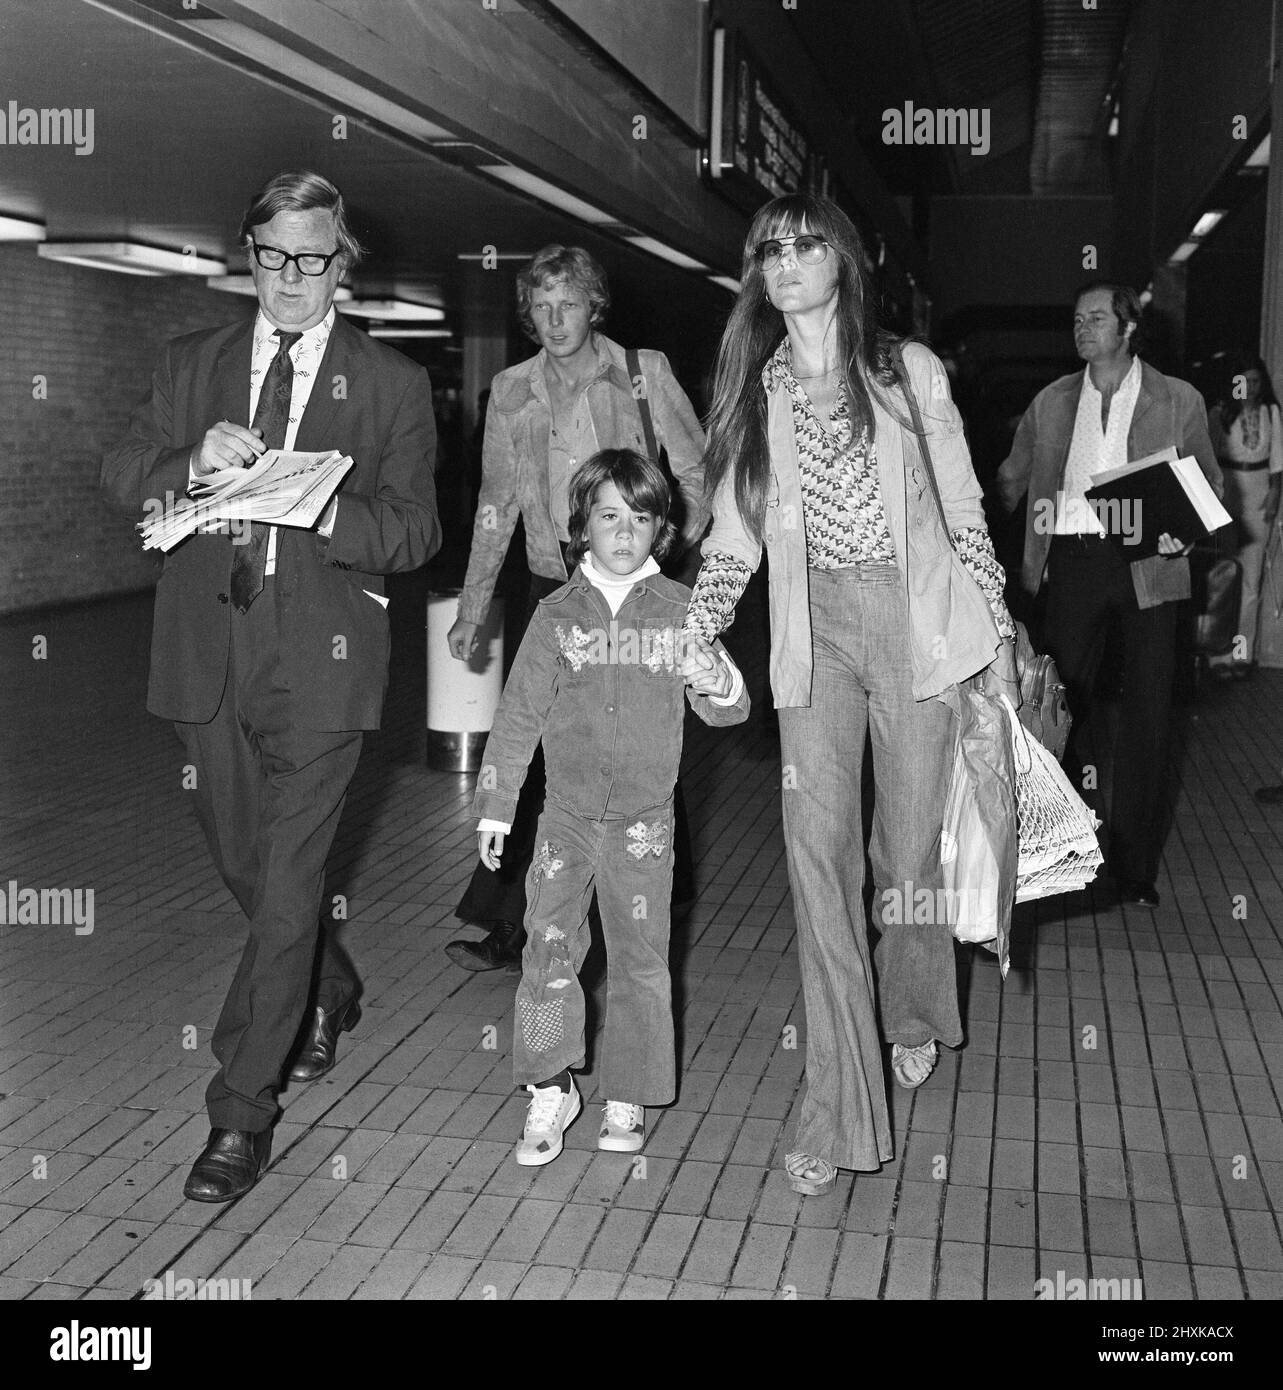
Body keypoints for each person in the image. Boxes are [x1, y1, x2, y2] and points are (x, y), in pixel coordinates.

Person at [100, 171, 440, 1202]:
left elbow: (417, 529)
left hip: (323, 668)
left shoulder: (389, 384)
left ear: (345, 265)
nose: (292, 279)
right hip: (206, 660)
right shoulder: (189, 363)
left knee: (290, 884)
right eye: (273, 256)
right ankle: (325, 985)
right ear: (245, 255)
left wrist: (323, 510)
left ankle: (239, 1114)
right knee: (249, 868)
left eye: (315, 258)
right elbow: (121, 468)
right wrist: (183, 459)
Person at [681, 193, 1018, 1197]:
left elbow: (962, 510)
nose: (784, 264)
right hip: (810, 633)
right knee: (812, 861)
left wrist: (992, 641)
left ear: (840, 260)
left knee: (905, 852)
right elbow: (735, 533)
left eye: (803, 245)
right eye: (767, 251)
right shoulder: (756, 388)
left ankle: (913, 1009)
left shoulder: (904, 371)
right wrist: (697, 620)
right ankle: (832, 1104)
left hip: (912, 626)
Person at [472, 448, 748, 1164]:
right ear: (581, 527)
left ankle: (625, 1089)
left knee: (640, 959)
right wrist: (497, 804)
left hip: (643, 825)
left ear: (661, 531)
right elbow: (516, 715)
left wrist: (714, 675)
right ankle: (549, 1083)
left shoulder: (682, 611)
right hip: (563, 817)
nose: (623, 532)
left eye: (640, 518)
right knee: (548, 947)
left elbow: (729, 709)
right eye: (607, 516)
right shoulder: (555, 615)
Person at [444, 245, 707, 971]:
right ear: (527, 313)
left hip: (632, 588)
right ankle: (516, 922)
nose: (555, 320)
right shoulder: (509, 389)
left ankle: (646, 891)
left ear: (594, 306)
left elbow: (695, 470)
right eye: (541, 306)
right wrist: (473, 607)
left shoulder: (640, 372)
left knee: (635, 741)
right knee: (540, 749)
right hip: (552, 588)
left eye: (569, 304)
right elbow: (496, 505)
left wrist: (669, 546)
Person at [997, 281, 1221, 908]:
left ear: (1128, 327)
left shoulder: (1179, 399)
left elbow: (1209, 483)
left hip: (1150, 564)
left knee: (1149, 713)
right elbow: (1011, 480)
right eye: (1076, 319)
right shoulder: (1051, 400)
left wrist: (1187, 535)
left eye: (1096, 318)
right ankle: (1049, 857)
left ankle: (1133, 869)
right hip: (1074, 561)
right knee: (1053, 709)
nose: (1082, 327)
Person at [1206, 352, 1282, 681]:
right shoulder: (1219, 413)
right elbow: (1204, 460)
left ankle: (1241, 653)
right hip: (1227, 493)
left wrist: (1275, 493)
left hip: (1259, 493)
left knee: (1252, 584)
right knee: (1222, 580)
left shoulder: (1270, 412)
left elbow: (1278, 460)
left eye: (1255, 381)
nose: (1249, 387)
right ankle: (1216, 656)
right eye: (1243, 381)